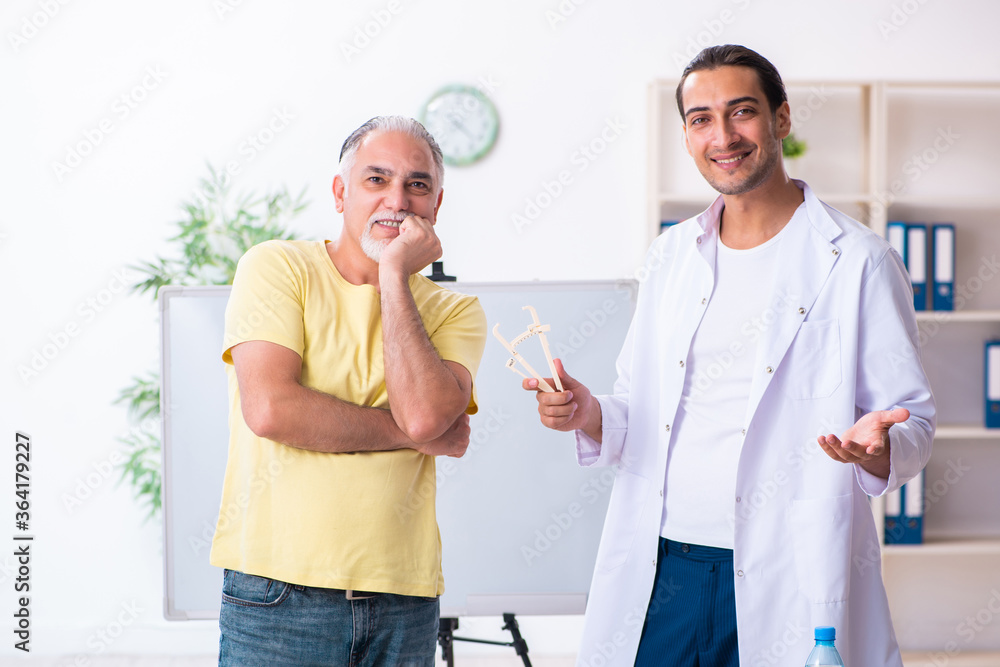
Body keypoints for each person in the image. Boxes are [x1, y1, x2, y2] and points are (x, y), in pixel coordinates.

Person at [523, 45, 934, 667]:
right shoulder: (670, 256)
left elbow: (913, 423)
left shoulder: (858, 260)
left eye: (742, 112)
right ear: (687, 135)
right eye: (701, 119)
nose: (723, 136)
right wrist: (589, 413)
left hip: (787, 566)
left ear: (781, 118)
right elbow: (640, 408)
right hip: (665, 566)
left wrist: (880, 448)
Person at [210, 115, 487, 666]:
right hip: (278, 594)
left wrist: (393, 276)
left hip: (404, 599)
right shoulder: (277, 267)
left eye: (417, 185)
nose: (397, 200)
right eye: (376, 179)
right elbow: (271, 410)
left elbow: (426, 417)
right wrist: (409, 435)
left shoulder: (455, 311)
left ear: (436, 205)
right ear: (341, 192)